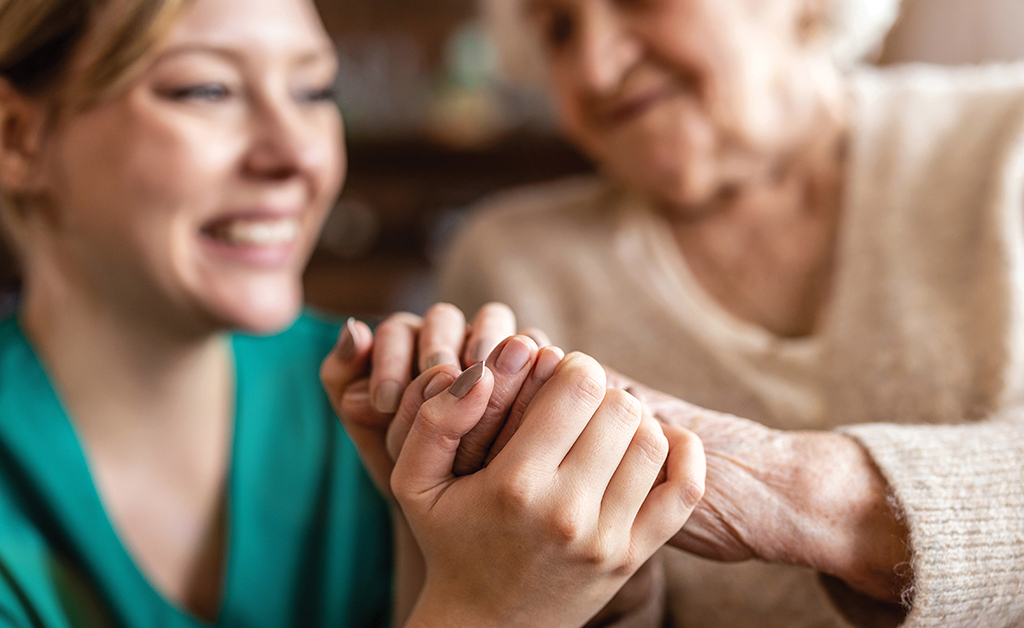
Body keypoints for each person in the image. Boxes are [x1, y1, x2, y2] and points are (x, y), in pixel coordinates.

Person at [0, 0, 708, 625]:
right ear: (16, 137)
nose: (296, 153)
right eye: (206, 89)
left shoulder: (390, 413)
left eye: (315, 91)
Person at [440, 0, 1024, 625]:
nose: (595, 70)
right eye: (558, 30)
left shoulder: (1006, 140)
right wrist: (602, 591)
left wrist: (798, 494)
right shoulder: (516, 264)